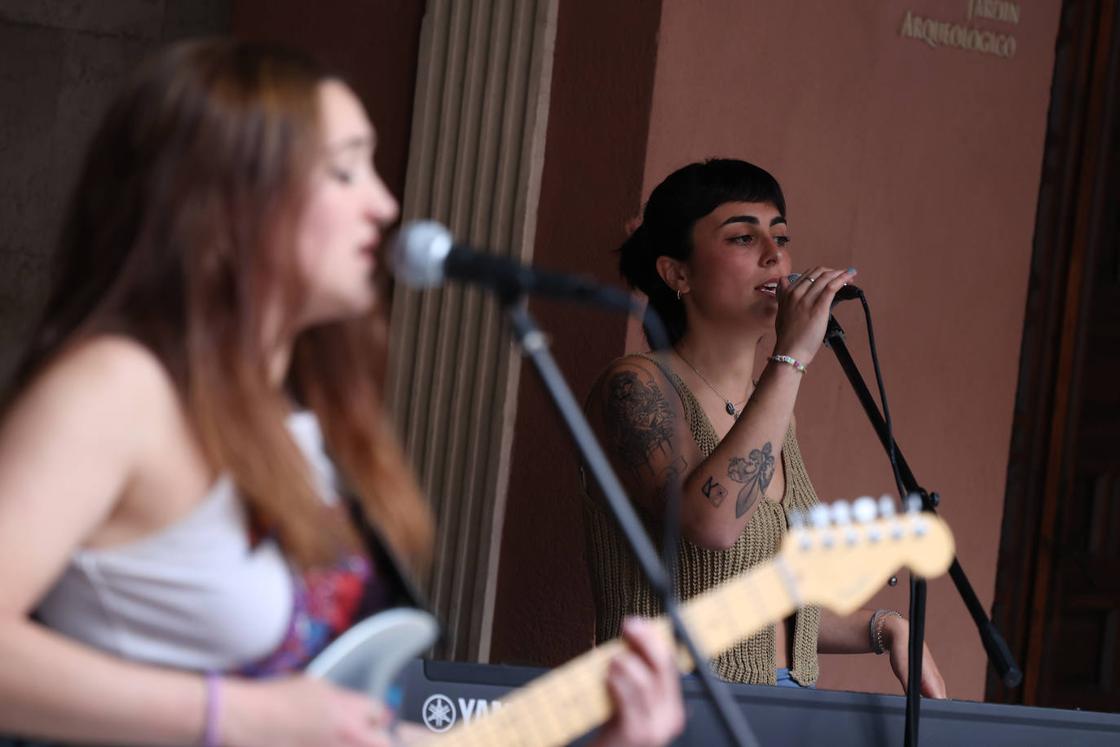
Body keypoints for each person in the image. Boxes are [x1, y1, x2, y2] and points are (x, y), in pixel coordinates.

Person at [0, 39, 684, 747]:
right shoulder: (119, 388)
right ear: (229, 197)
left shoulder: (301, 415)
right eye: (344, 170)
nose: (384, 204)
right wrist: (237, 715)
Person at [582, 158, 947, 696]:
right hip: (671, 702)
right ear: (676, 273)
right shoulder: (635, 388)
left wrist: (883, 627)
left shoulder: (773, 409)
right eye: (742, 238)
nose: (775, 256)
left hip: (779, 699)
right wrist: (792, 357)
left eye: (780, 237)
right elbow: (713, 525)